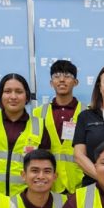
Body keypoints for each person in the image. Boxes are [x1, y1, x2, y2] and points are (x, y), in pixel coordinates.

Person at [0, 73, 50, 196]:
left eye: (19, 91)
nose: (13, 96)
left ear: (27, 96)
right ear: (0, 96)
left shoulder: (39, 125)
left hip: (26, 198)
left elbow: (46, 165)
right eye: (7, 91)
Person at [33, 60, 84, 194]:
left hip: (79, 182)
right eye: (56, 76)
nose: (62, 80)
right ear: (51, 83)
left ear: (76, 82)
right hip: (48, 183)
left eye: (67, 76)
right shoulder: (37, 113)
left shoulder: (87, 112)